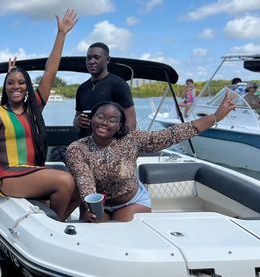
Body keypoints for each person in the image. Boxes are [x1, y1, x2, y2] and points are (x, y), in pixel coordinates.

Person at [0, 9, 80, 221]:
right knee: (65, 181)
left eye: (21, 82)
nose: (16, 86)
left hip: (31, 171)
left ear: (28, 85)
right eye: (10, 83)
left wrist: (61, 35)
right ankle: (54, 226)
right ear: (5, 87)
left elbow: (51, 71)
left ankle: (54, 222)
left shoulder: (34, 108)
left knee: (80, 191)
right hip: (6, 175)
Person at [65, 92, 237, 223]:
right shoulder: (77, 149)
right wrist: (93, 209)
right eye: (100, 116)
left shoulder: (131, 140)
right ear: (92, 118)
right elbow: (85, 182)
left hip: (131, 202)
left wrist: (216, 116)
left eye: (112, 120)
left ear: (119, 126)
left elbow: (172, 134)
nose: (104, 122)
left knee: (122, 231)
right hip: (96, 203)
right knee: (97, 228)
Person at [74, 42, 136, 137]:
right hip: (84, 147)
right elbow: (75, 123)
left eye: (96, 57)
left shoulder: (118, 85)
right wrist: (77, 121)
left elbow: (131, 125)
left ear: (107, 60)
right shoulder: (82, 88)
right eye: (88, 58)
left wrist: (117, 148)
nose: (91, 61)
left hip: (109, 147)